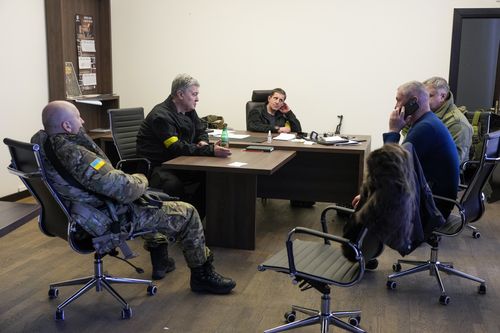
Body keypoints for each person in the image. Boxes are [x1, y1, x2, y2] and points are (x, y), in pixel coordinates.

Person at [31, 100, 236, 294]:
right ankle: (202, 276)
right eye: (78, 117)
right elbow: (124, 189)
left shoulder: (46, 145)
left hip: (83, 212)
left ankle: (161, 258)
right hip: (106, 219)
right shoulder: (75, 154)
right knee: (188, 212)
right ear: (66, 125)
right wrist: (141, 178)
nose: (83, 121)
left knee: (154, 199)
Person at [137, 74, 231, 222]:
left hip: (182, 162)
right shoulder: (161, 116)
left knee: (214, 177)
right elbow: (176, 147)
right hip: (160, 166)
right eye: (194, 94)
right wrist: (210, 150)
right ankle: (181, 223)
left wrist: (203, 142)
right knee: (173, 184)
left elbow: (201, 130)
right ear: (180, 94)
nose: (197, 99)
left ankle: (193, 221)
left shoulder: (189, 109)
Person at [383, 80, 459, 218]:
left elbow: (390, 169)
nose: (396, 106)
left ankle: (351, 240)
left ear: (413, 102)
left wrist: (393, 131)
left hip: (430, 209)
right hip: (433, 200)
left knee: (368, 207)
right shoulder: (428, 121)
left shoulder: (425, 128)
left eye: (398, 100)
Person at [423, 76, 472, 164]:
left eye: (428, 96)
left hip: (444, 175)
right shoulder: (428, 115)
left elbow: (453, 162)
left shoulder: (457, 124)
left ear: (442, 96)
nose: (423, 101)